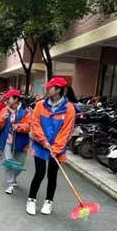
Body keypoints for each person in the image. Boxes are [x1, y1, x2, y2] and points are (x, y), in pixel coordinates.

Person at [26, 77, 76, 216]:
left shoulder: (69, 109)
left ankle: (48, 202)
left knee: (52, 175)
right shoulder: (40, 105)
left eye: (49, 87)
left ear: (58, 90)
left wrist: (55, 148)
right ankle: (31, 200)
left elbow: (66, 131)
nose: (46, 89)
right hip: (40, 144)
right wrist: (43, 141)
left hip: (57, 147)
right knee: (40, 173)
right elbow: (35, 124)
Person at [0, 89, 30, 195]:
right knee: (9, 162)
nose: (6, 100)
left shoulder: (26, 112)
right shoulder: (4, 110)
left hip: (21, 141)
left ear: (16, 99)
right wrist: (2, 119)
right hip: (6, 140)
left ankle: (13, 178)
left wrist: (19, 127)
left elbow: (29, 126)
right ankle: (10, 184)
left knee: (19, 164)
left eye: (8, 98)